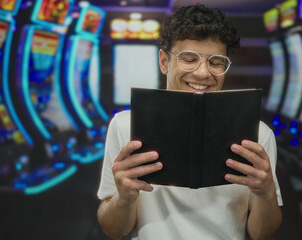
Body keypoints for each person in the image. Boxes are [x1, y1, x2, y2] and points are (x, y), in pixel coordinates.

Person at [97, 4, 283, 240]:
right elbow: (114, 230)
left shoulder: (258, 135)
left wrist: (266, 193)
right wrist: (123, 198)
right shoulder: (125, 126)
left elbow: (262, 235)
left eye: (216, 62)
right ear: (164, 62)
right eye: (188, 58)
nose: (203, 73)